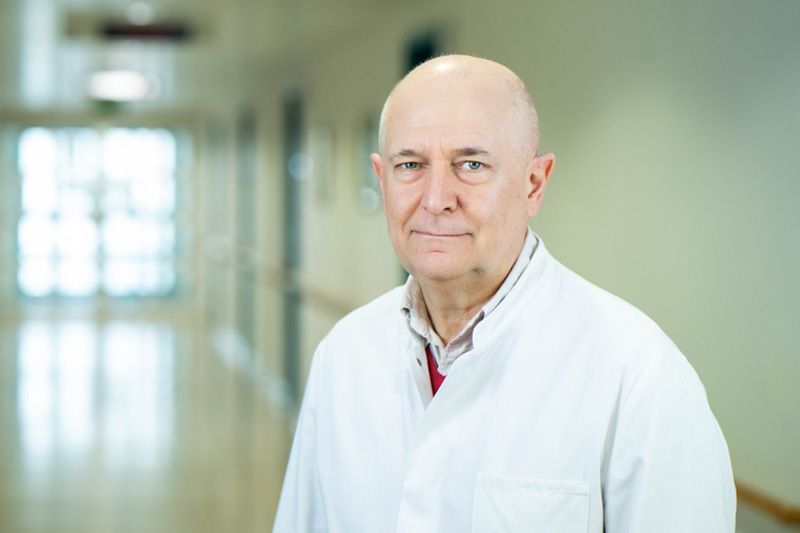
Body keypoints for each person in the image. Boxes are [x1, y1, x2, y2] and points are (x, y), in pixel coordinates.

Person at [273, 54, 736, 532]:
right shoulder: (342, 356)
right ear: (381, 180)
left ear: (534, 184)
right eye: (410, 165)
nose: (436, 199)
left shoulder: (638, 375)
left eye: (471, 164)